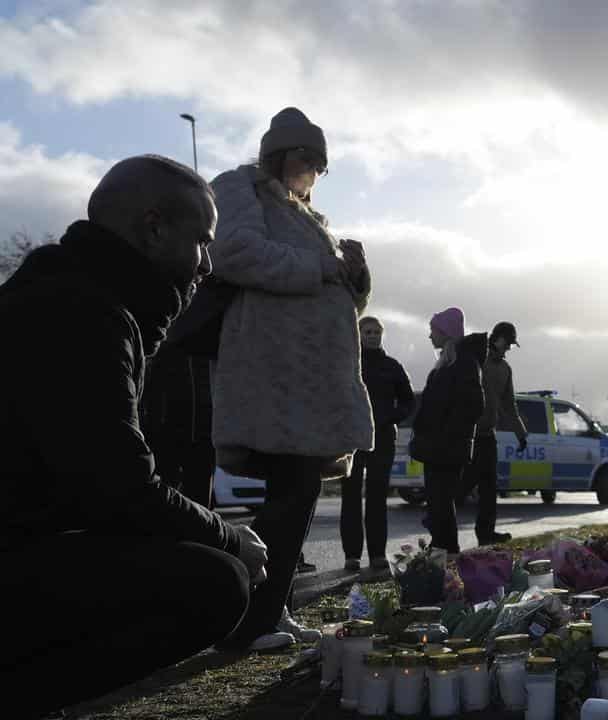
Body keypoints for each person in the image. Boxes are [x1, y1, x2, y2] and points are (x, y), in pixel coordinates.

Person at [0, 155, 268, 719]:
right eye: (201, 241)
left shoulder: (73, 294)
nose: (206, 266)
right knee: (216, 582)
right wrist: (230, 538)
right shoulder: (80, 311)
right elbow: (118, 489)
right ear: (153, 228)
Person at [209, 107, 374, 650]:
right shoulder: (241, 189)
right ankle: (246, 619)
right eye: (309, 161)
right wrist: (327, 268)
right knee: (291, 490)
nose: (314, 174)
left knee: (299, 490)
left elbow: (337, 296)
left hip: (311, 382)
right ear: (279, 153)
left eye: (322, 167)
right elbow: (233, 253)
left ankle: (268, 608)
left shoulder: (309, 218)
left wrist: (356, 279)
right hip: (274, 373)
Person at [410, 307, 486, 554]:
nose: (430, 336)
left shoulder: (463, 363)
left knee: (441, 503)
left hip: (446, 447)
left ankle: (447, 551)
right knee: (437, 503)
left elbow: (473, 406)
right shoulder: (449, 362)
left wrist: (443, 432)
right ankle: (442, 549)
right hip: (439, 447)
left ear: (446, 333)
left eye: (433, 330)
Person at [342, 316, 416, 571]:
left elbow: (408, 402)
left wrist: (390, 418)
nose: (372, 336)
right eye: (368, 332)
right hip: (351, 439)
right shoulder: (348, 363)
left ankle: (377, 555)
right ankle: (351, 555)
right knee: (350, 497)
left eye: (376, 332)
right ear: (359, 334)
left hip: (383, 439)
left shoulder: (392, 366)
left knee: (376, 497)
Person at [459, 321, 529, 545]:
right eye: (508, 342)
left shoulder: (505, 369)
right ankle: (436, 522)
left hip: (488, 435)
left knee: (489, 488)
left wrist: (521, 433)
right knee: (463, 485)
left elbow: (509, 404)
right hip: (468, 436)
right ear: (498, 338)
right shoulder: (477, 359)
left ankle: (486, 533)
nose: (509, 347)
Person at [140, 346, 217, 507]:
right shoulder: (165, 352)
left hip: (199, 438)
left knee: (197, 503)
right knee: (167, 500)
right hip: (171, 437)